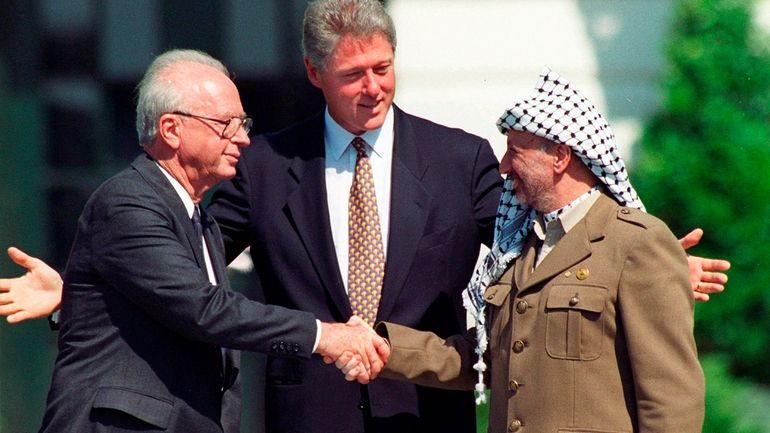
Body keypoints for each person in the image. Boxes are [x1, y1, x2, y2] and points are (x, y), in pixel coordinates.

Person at [0, 1, 729, 432]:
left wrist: (644, 263)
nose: (373, 87)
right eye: (353, 74)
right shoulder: (265, 164)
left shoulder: (460, 157)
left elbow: (535, 238)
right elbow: (186, 270)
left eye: (383, 67)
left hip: (425, 413)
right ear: (316, 74)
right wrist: (82, 288)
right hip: (308, 415)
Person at [33, 49, 388, 433]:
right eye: (227, 124)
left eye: (244, 123)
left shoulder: (201, 219)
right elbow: (206, 310)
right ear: (171, 129)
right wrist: (324, 335)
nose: (244, 138)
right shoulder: (126, 203)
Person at [340, 68, 707, 432]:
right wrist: (384, 348)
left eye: (514, 152)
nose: (502, 167)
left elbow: (671, 401)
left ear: (560, 157)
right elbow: (484, 358)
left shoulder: (637, 244)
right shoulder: (519, 247)